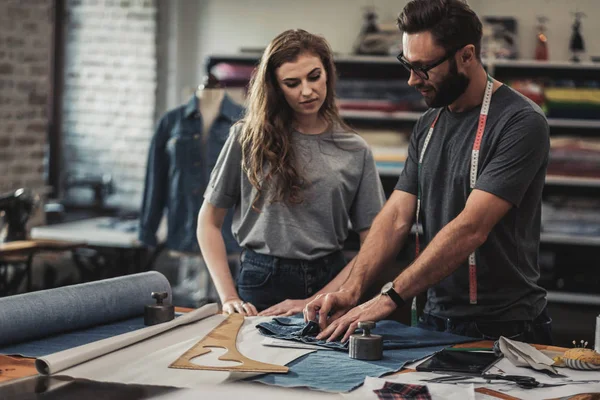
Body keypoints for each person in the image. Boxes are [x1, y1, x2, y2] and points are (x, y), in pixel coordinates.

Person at [305, 0, 552, 345]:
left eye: (423, 68)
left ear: (466, 56)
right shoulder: (428, 123)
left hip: (504, 325)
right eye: (407, 65)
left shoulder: (521, 122)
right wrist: (353, 289)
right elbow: (395, 218)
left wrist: (389, 297)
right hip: (434, 317)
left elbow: (471, 228)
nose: (411, 80)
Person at [198, 29, 386, 316]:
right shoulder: (246, 138)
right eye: (292, 83)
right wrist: (228, 297)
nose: (307, 91)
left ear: (328, 74)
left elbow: (372, 243)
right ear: (275, 86)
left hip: (331, 279)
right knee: (253, 361)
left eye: (314, 76)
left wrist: (323, 297)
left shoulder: (356, 149)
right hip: (261, 280)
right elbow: (208, 223)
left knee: (324, 362)